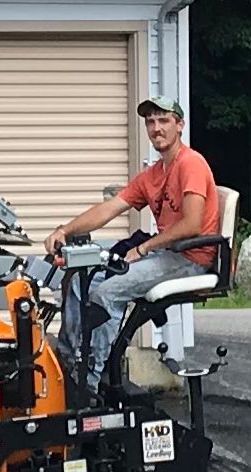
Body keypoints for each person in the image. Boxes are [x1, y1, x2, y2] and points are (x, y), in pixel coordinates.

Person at [43, 95, 220, 392]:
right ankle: (68, 361)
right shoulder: (153, 174)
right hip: (165, 252)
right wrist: (65, 230)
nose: (156, 128)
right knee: (78, 274)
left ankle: (88, 382)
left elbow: (191, 225)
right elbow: (109, 209)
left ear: (180, 125)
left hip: (190, 259)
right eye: (150, 122)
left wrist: (144, 248)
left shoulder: (191, 164)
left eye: (164, 120)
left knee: (108, 291)